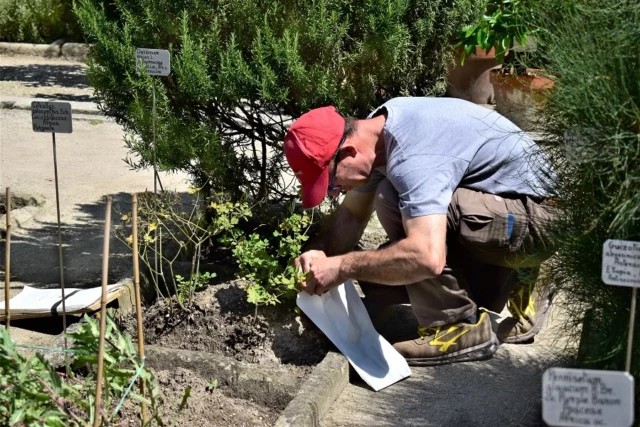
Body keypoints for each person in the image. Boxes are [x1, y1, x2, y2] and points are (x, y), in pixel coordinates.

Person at [284, 97, 557, 366]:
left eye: (331, 183)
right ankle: (518, 277)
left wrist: (343, 266)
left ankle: (457, 327)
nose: (335, 193)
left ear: (348, 152)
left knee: (391, 202)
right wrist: (319, 253)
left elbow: (427, 257)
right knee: (378, 283)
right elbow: (351, 217)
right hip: (507, 213)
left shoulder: (413, 155)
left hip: (542, 220)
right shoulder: (376, 132)